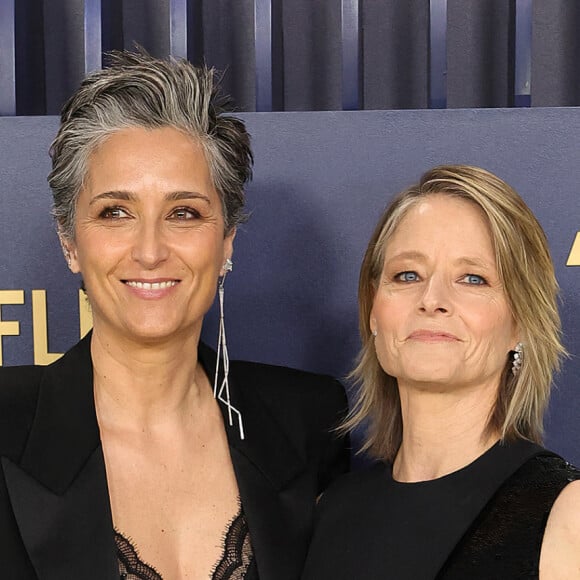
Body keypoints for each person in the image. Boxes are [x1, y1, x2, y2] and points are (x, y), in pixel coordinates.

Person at [0, 51, 349, 580]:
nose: (149, 250)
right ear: (70, 242)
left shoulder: (308, 421)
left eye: (184, 213)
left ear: (227, 239)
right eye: (115, 212)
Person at [302, 165, 580, 579]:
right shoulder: (328, 511)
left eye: (473, 279)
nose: (432, 300)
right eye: (407, 275)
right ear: (373, 311)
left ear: (520, 324)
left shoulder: (565, 512)